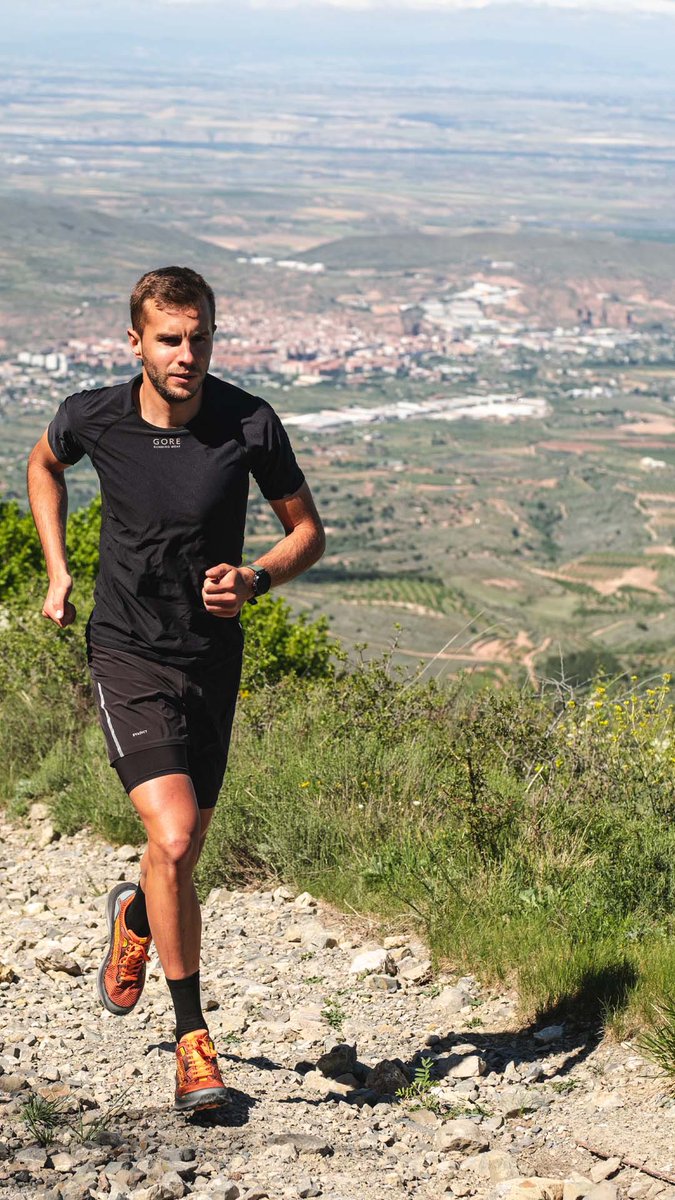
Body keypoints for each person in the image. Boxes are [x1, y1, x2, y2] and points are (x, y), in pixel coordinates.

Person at [27, 266, 325, 1113]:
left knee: (177, 853)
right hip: (124, 651)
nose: (186, 354)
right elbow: (43, 466)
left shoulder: (248, 423)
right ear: (137, 343)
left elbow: (306, 532)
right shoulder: (96, 416)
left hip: (209, 660)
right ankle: (193, 1040)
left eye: (199, 337)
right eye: (168, 338)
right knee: (178, 831)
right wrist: (56, 570)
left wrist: (258, 579)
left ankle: (135, 920)